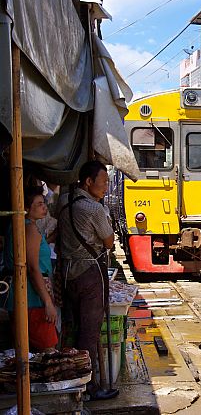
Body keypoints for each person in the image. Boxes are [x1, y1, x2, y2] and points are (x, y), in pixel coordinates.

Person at [57, 161, 118, 401]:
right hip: (90, 274)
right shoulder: (93, 209)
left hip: (67, 273)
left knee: (71, 328)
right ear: (89, 182)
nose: (106, 188)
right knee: (89, 333)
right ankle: (89, 386)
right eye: (103, 183)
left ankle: (70, 378)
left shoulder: (64, 202)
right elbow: (109, 242)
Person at [3, 186, 58, 351]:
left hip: (25, 295)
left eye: (44, 203)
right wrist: (48, 303)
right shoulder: (29, 229)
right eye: (40, 204)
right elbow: (34, 269)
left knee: (28, 349)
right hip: (32, 297)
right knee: (48, 348)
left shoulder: (21, 226)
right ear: (26, 208)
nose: (44, 207)